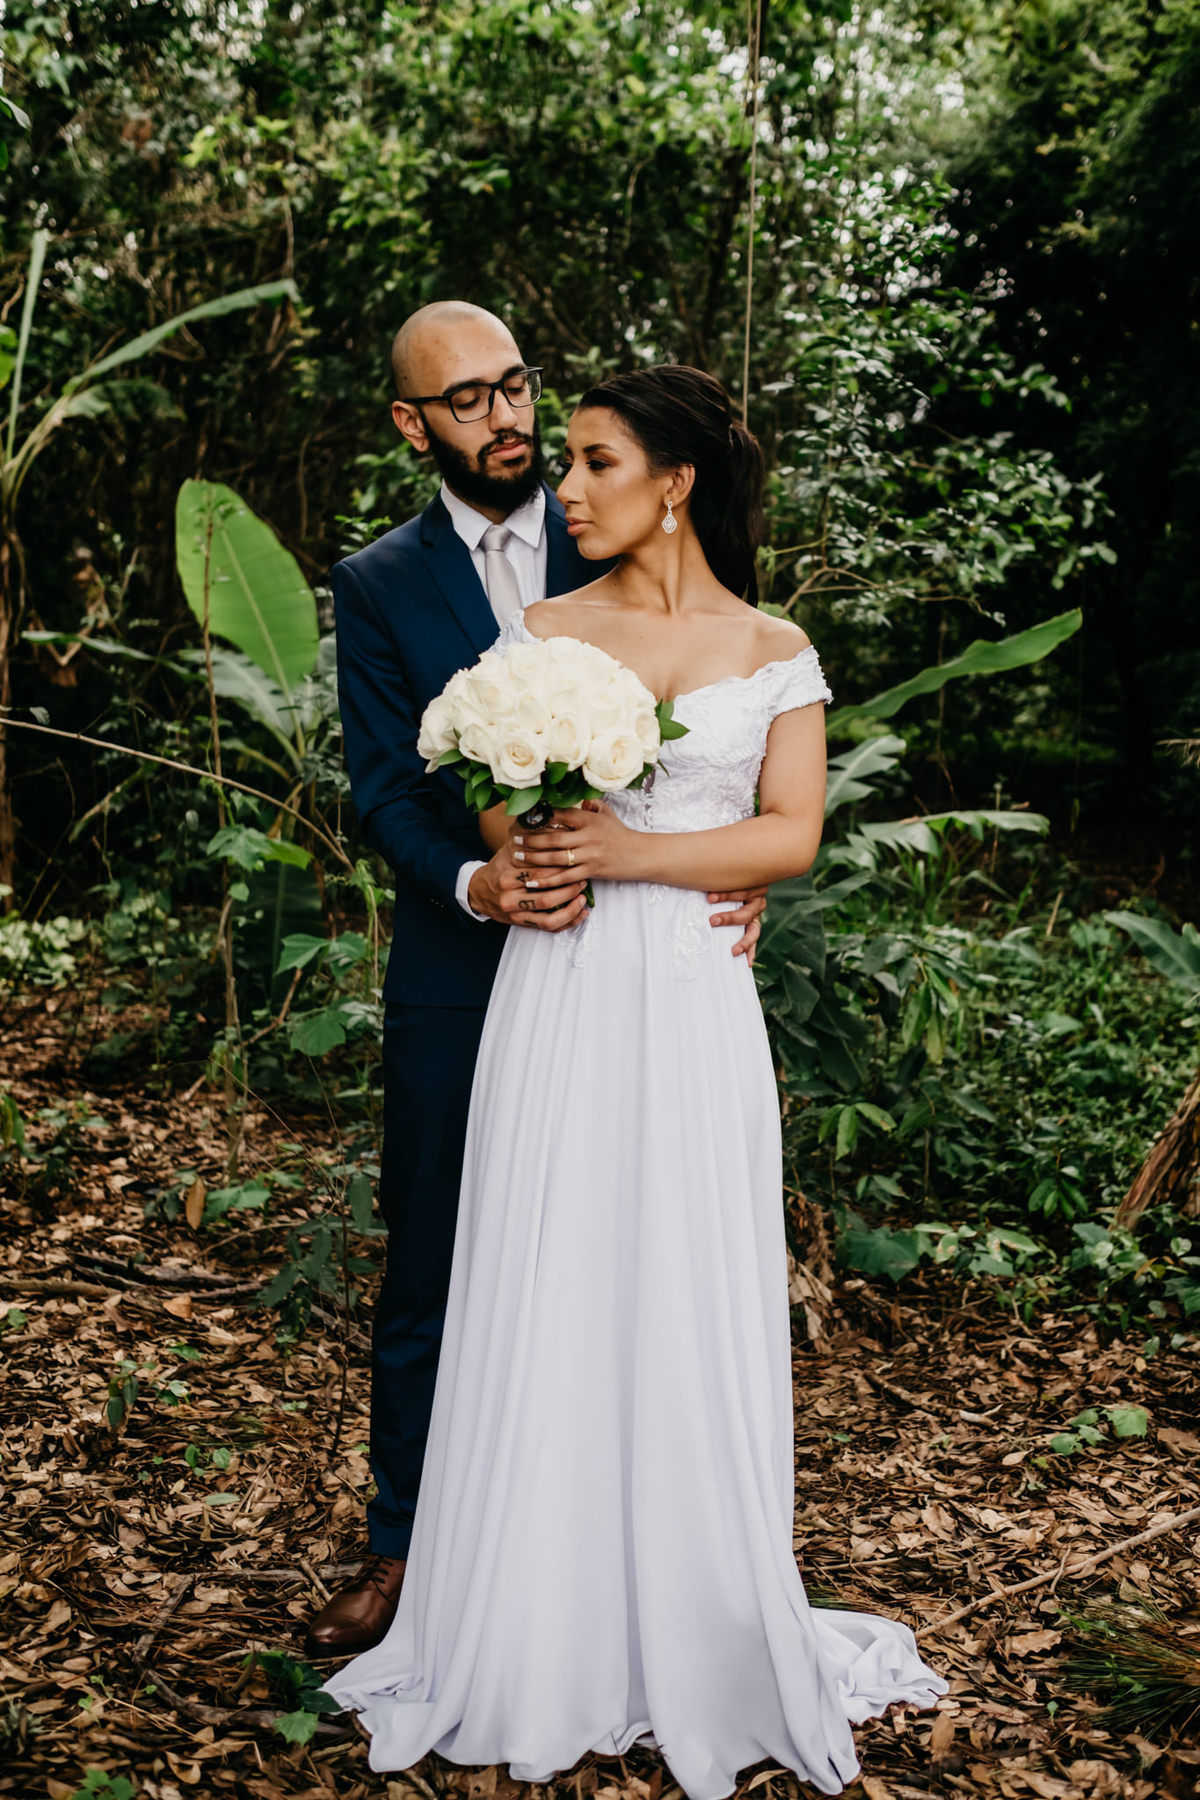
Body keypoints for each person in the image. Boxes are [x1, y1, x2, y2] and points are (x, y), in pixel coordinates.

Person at [323, 365, 947, 1796]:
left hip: (691, 1006)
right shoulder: (538, 632)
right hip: (563, 998)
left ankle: (700, 1608)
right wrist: (529, 845)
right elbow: (494, 794)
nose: (568, 488)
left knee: (682, 1273)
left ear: (673, 483)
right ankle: (528, 1611)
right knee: (550, 1267)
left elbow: (785, 837)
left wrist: (645, 859)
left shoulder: (776, 647)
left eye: (597, 463)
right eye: (567, 467)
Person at [305, 308, 768, 1658]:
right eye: (468, 402)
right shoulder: (383, 583)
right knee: (439, 1249)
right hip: (467, 960)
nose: (508, 420)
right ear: (413, 427)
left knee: (629, 1245)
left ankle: (616, 1551)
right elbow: (391, 788)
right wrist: (477, 885)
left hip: (637, 967)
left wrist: (728, 884)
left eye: (517, 388)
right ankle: (412, 1550)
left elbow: (732, 712)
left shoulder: (612, 504)